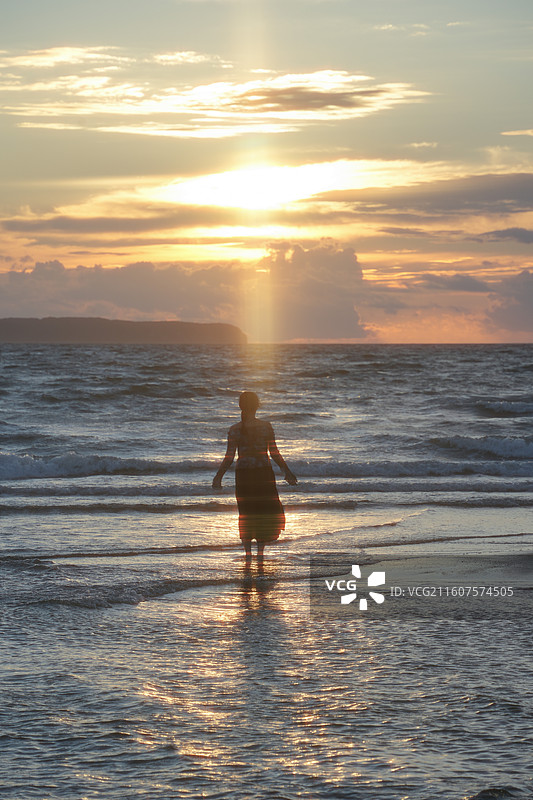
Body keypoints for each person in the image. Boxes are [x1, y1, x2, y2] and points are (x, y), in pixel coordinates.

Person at [212, 391, 297, 562]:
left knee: (246, 514)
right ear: (257, 406)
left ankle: (248, 555)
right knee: (263, 513)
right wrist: (287, 471)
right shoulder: (266, 426)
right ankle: (260, 554)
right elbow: (274, 452)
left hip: (243, 476)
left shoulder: (234, 429)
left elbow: (229, 457)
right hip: (263, 475)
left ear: (240, 406)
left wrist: (218, 476)